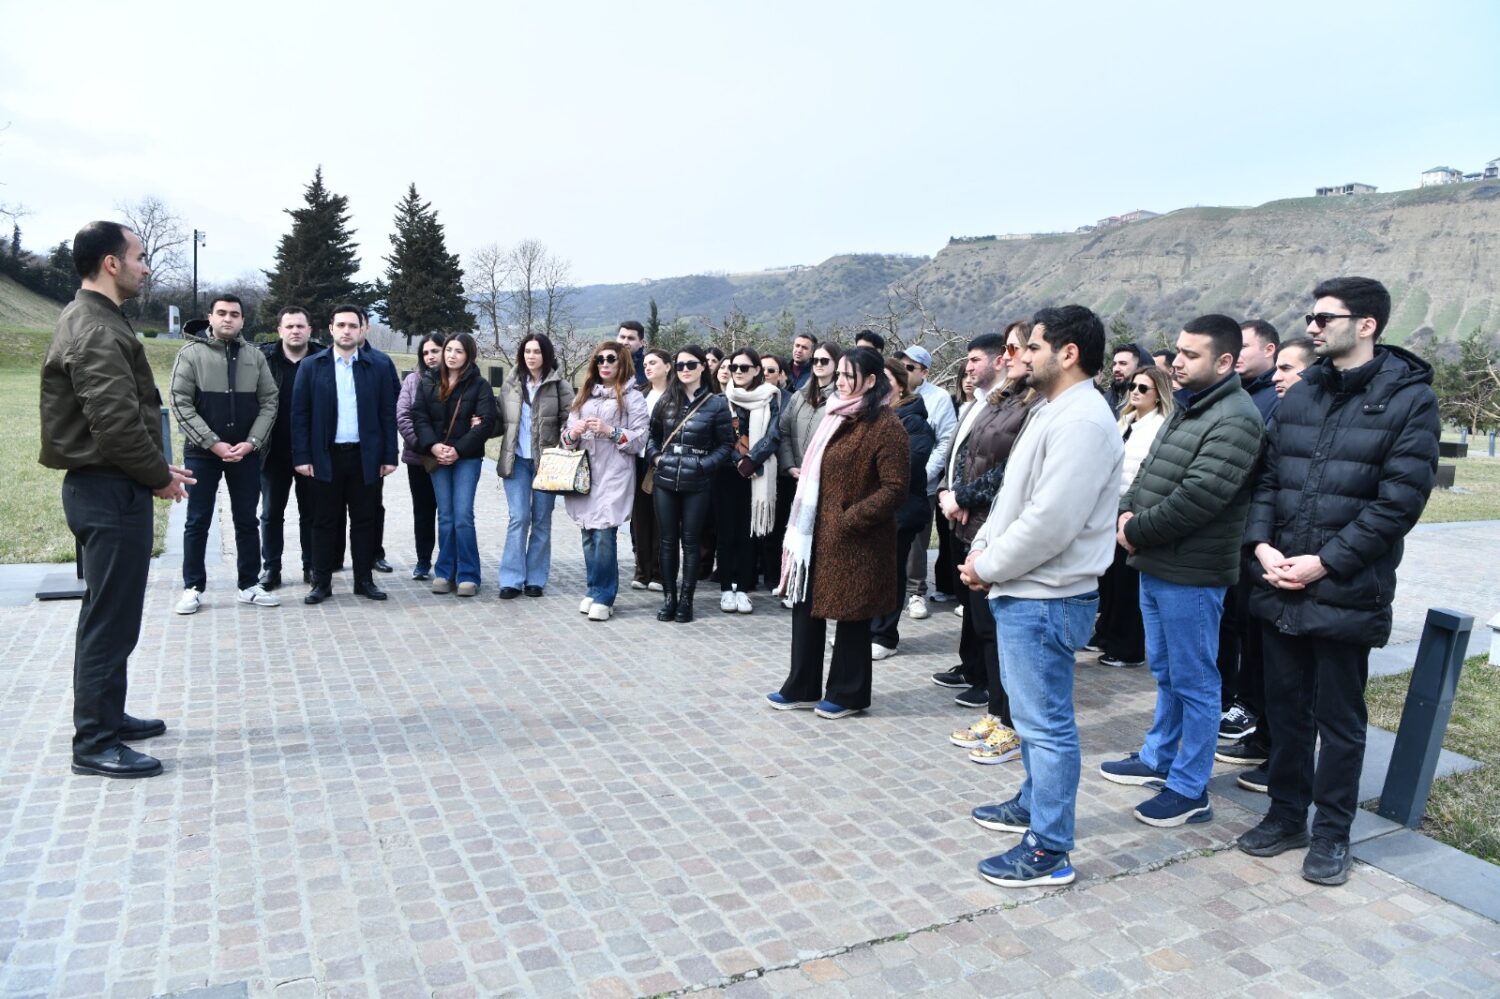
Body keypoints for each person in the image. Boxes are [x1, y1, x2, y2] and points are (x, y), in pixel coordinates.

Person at [1237, 277, 1439, 887]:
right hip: (1280, 582)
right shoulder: (1303, 393)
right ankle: (1285, 815)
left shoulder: (1410, 399)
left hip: (1345, 589)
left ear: (1366, 325)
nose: (1312, 326)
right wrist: (1262, 546)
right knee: (1284, 711)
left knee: (1340, 722)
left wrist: (1324, 562)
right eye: (1311, 316)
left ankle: (1331, 834)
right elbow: (1266, 479)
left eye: (1324, 317)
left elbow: (1399, 502)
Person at [961, 305, 1122, 888]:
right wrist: (984, 548)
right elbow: (1015, 498)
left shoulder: (1083, 421)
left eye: (1032, 347)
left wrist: (989, 565)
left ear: (1068, 353)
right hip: (1026, 589)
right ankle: (1033, 803)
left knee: (1047, 725)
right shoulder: (1054, 410)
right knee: (1032, 721)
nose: (1021, 356)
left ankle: (1049, 849)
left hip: (1047, 596)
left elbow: (1051, 521)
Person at [40, 221, 194, 779]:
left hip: (110, 485)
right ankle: (95, 743)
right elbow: (114, 424)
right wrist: (157, 477)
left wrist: (153, 468)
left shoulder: (97, 317)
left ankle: (109, 716)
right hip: (106, 492)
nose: (146, 267)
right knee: (108, 620)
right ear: (111, 263)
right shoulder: (93, 325)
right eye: (140, 256)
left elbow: (116, 420)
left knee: (115, 614)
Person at [1102, 315, 1264, 828]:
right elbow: (1148, 471)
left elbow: (1201, 497)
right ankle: (1158, 756)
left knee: (1195, 680)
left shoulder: (1236, 418)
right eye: (1177, 351)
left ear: (1225, 361)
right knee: (1167, 670)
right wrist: (1125, 512)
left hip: (1192, 571)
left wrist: (1135, 529)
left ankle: (1190, 787)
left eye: (1191, 355)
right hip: (1157, 560)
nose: (1177, 361)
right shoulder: (1190, 405)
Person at [768, 347, 909, 719]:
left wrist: (851, 518)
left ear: (872, 380)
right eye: (840, 374)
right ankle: (802, 686)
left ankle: (849, 694)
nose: (841, 381)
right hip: (816, 533)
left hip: (857, 538)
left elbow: (895, 488)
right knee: (805, 608)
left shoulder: (885, 425)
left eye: (849, 375)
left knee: (852, 616)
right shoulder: (835, 414)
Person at [1218, 333, 1320, 784]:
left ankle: (1285, 760)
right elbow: (1266, 485)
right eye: (1278, 369)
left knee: (1296, 677)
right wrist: (1260, 543)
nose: (1279, 376)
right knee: (1259, 651)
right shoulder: (1283, 416)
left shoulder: (1313, 419)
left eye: (1288, 369)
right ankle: (1263, 738)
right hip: (1265, 552)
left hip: (1303, 563)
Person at [938, 324, 1042, 760]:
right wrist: (955, 493)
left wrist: (964, 496)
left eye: (1017, 348)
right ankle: (998, 714)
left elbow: (1011, 469)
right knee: (985, 627)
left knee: (1004, 633)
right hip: (976, 525)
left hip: (999, 525)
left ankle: (1012, 723)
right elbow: (966, 450)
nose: (1011, 355)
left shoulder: (1037, 405)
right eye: (1010, 347)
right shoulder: (1000, 399)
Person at [169, 294, 279, 614]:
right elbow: (180, 402)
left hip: (245, 452)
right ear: (210, 317)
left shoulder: (255, 357)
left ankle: (249, 585)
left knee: (246, 520)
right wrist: (212, 442)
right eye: (222, 313)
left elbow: (269, 401)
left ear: (242, 320)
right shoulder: (190, 354)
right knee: (197, 521)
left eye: (234, 314)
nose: (228, 318)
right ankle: (192, 587)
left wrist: (252, 442)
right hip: (201, 453)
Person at [291, 304, 400, 604]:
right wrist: (302, 456)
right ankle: (321, 582)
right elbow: (300, 415)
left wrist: (390, 455)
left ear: (362, 329)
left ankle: (363, 580)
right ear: (331, 329)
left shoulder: (379, 365)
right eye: (341, 325)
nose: (347, 331)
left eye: (353, 325)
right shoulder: (311, 366)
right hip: (326, 457)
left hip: (366, 458)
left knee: (365, 521)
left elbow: (388, 413)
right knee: (324, 521)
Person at [1216, 319, 1283, 742]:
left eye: (1245, 346)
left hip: (1253, 529)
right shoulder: (1241, 393)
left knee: (1246, 624)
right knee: (1231, 621)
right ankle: (1230, 697)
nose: (1236, 353)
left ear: (1269, 350)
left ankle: (1244, 703)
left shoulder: (1273, 399)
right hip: (1235, 528)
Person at [1088, 364, 1175, 668]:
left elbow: (1148, 473)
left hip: (1134, 512)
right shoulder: (1125, 420)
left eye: (1143, 388)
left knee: (1128, 584)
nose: (1135, 392)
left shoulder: (1160, 426)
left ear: (1158, 394)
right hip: (1111, 507)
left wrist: (1132, 513)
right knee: (1111, 580)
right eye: (1132, 387)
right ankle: (1107, 633)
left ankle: (1128, 648)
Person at [647, 345, 736, 623]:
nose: (685, 369)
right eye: (680, 365)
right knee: (667, 541)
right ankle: (669, 598)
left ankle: (687, 600)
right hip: (665, 479)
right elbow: (652, 437)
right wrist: (657, 458)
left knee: (691, 541)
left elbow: (727, 444)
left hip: (697, 482)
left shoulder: (716, 403)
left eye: (691, 364)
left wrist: (703, 465)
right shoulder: (666, 399)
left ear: (703, 367)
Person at [563, 342, 650, 621]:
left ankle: (604, 596)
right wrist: (574, 433)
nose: (605, 364)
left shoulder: (633, 397)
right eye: (600, 359)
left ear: (622, 362)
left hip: (614, 472)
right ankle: (593, 589)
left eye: (611, 359)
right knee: (588, 533)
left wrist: (611, 431)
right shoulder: (584, 394)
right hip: (585, 473)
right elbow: (566, 437)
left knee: (603, 533)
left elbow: (640, 439)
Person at [412, 333, 496, 597]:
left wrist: (458, 450)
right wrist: (433, 446)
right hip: (437, 456)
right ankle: (445, 571)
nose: (451, 355)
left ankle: (469, 574)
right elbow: (419, 416)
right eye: (449, 350)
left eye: (459, 351)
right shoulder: (429, 380)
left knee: (462, 516)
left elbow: (485, 422)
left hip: (466, 459)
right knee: (446, 516)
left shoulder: (479, 385)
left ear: (468, 355)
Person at [495, 333, 574, 598]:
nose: (531, 356)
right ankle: (511, 579)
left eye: (537, 351)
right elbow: (501, 420)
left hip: (547, 464)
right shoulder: (511, 384)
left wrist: (566, 438)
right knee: (519, 517)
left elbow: (569, 421)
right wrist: (479, 421)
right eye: (527, 351)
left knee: (541, 521)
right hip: (516, 461)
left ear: (546, 355)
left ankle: (535, 579)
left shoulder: (560, 386)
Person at [869, 359, 935, 659]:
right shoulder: (871, 416)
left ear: (899, 383)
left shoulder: (914, 421)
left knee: (890, 574)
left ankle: (885, 636)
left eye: (886, 379)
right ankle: (865, 630)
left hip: (900, 511)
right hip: (872, 509)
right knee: (871, 573)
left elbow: (907, 465)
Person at [715, 347, 782, 613]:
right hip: (726, 473)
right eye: (734, 367)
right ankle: (725, 589)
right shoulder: (722, 399)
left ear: (756, 370)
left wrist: (751, 460)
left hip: (756, 472)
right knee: (726, 532)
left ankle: (742, 589)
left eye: (744, 367)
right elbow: (720, 436)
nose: (738, 372)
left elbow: (774, 434)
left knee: (748, 533)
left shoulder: (770, 397)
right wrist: (738, 461)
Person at [259, 306, 320, 589]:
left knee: (311, 513)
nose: (295, 331)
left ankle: (312, 567)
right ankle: (271, 569)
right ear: (279, 330)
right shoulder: (264, 359)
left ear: (310, 330)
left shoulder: (323, 359)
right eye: (289, 326)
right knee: (271, 513)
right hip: (273, 451)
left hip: (312, 452)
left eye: (300, 326)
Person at [895, 345, 957, 621]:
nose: (904, 371)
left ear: (925, 372)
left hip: (922, 483)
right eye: (901, 365)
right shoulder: (890, 394)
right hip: (891, 483)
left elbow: (945, 442)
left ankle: (916, 592)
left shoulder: (938, 398)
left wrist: (924, 473)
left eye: (910, 367)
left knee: (918, 544)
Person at [395, 333, 444, 581]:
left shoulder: (456, 380)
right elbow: (403, 417)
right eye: (425, 353)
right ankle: (423, 560)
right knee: (423, 511)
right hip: (419, 458)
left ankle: (448, 561)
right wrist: (426, 447)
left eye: (435, 351)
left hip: (449, 458)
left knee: (448, 513)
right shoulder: (413, 380)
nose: (430, 356)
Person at [629, 348, 672, 593]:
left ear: (667, 366)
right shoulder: (640, 394)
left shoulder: (677, 395)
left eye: (653, 363)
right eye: (645, 364)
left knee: (662, 519)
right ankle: (642, 570)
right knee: (640, 519)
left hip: (664, 462)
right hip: (639, 461)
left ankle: (660, 573)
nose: (647, 367)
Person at [1105, 343, 1153, 414]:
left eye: (1123, 363)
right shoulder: (1106, 398)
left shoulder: (1147, 403)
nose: (1116, 369)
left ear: (1139, 367)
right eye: (1114, 364)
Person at [617, 320, 647, 389]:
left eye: (631, 338)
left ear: (641, 343)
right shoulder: (606, 363)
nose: (625, 342)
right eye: (622, 337)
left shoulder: (647, 367)